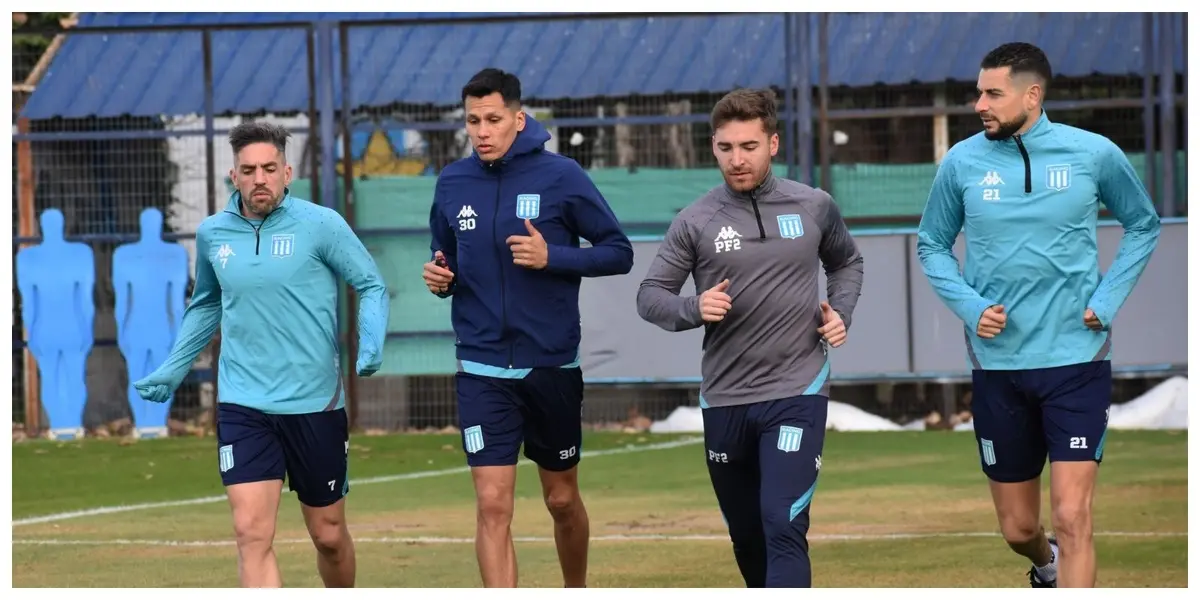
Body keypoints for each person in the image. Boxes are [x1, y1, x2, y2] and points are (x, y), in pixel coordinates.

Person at [916, 42, 1161, 588]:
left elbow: (1143, 224)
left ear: (1033, 94)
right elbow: (931, 244)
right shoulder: (961, 162)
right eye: (979, 91)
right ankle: (1044, 565)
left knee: (1074, 517)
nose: (979, 103)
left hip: (1077, 359)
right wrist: (970, 306)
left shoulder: (1093, 153)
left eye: (992, 93)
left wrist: (1108, 298)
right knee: (1018, 526)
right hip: (998, 367)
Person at [134, 121, 389, 588]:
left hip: (315, 404)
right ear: (234, 176)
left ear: (286, 172)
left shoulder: (321, 225)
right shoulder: (213, 234)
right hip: (243, 402)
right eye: (248, 170)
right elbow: (206, 304)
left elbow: (370, 284)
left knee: (329, 536)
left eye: (269, 168)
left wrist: (371, 342)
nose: (259, 179)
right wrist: (173, 369)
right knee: (251, 533)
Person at [635, 87, 864, 588]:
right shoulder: (695, 220)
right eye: (725, 148)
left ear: (773, 143)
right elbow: (650, 296)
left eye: (749, 146)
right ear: (713, 147)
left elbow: (846, 261)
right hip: (725, 400)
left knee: (782, 521)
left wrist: (839, 311)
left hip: (797, 391)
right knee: (748, 536)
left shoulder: (813, 205)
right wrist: (694, 307)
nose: (736, 160)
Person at [421, 67, 633, 588]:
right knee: (493, 504)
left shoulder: (562, 176)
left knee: (561, 499)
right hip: (480, 366)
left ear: (519, 119)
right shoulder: (452, 182)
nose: (482, 130)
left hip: (550, 365)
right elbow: (445, 251)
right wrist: (440, 276)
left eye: (493, 119)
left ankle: (576, 588)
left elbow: (618, 253)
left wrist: (552, 255)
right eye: (473, 120)